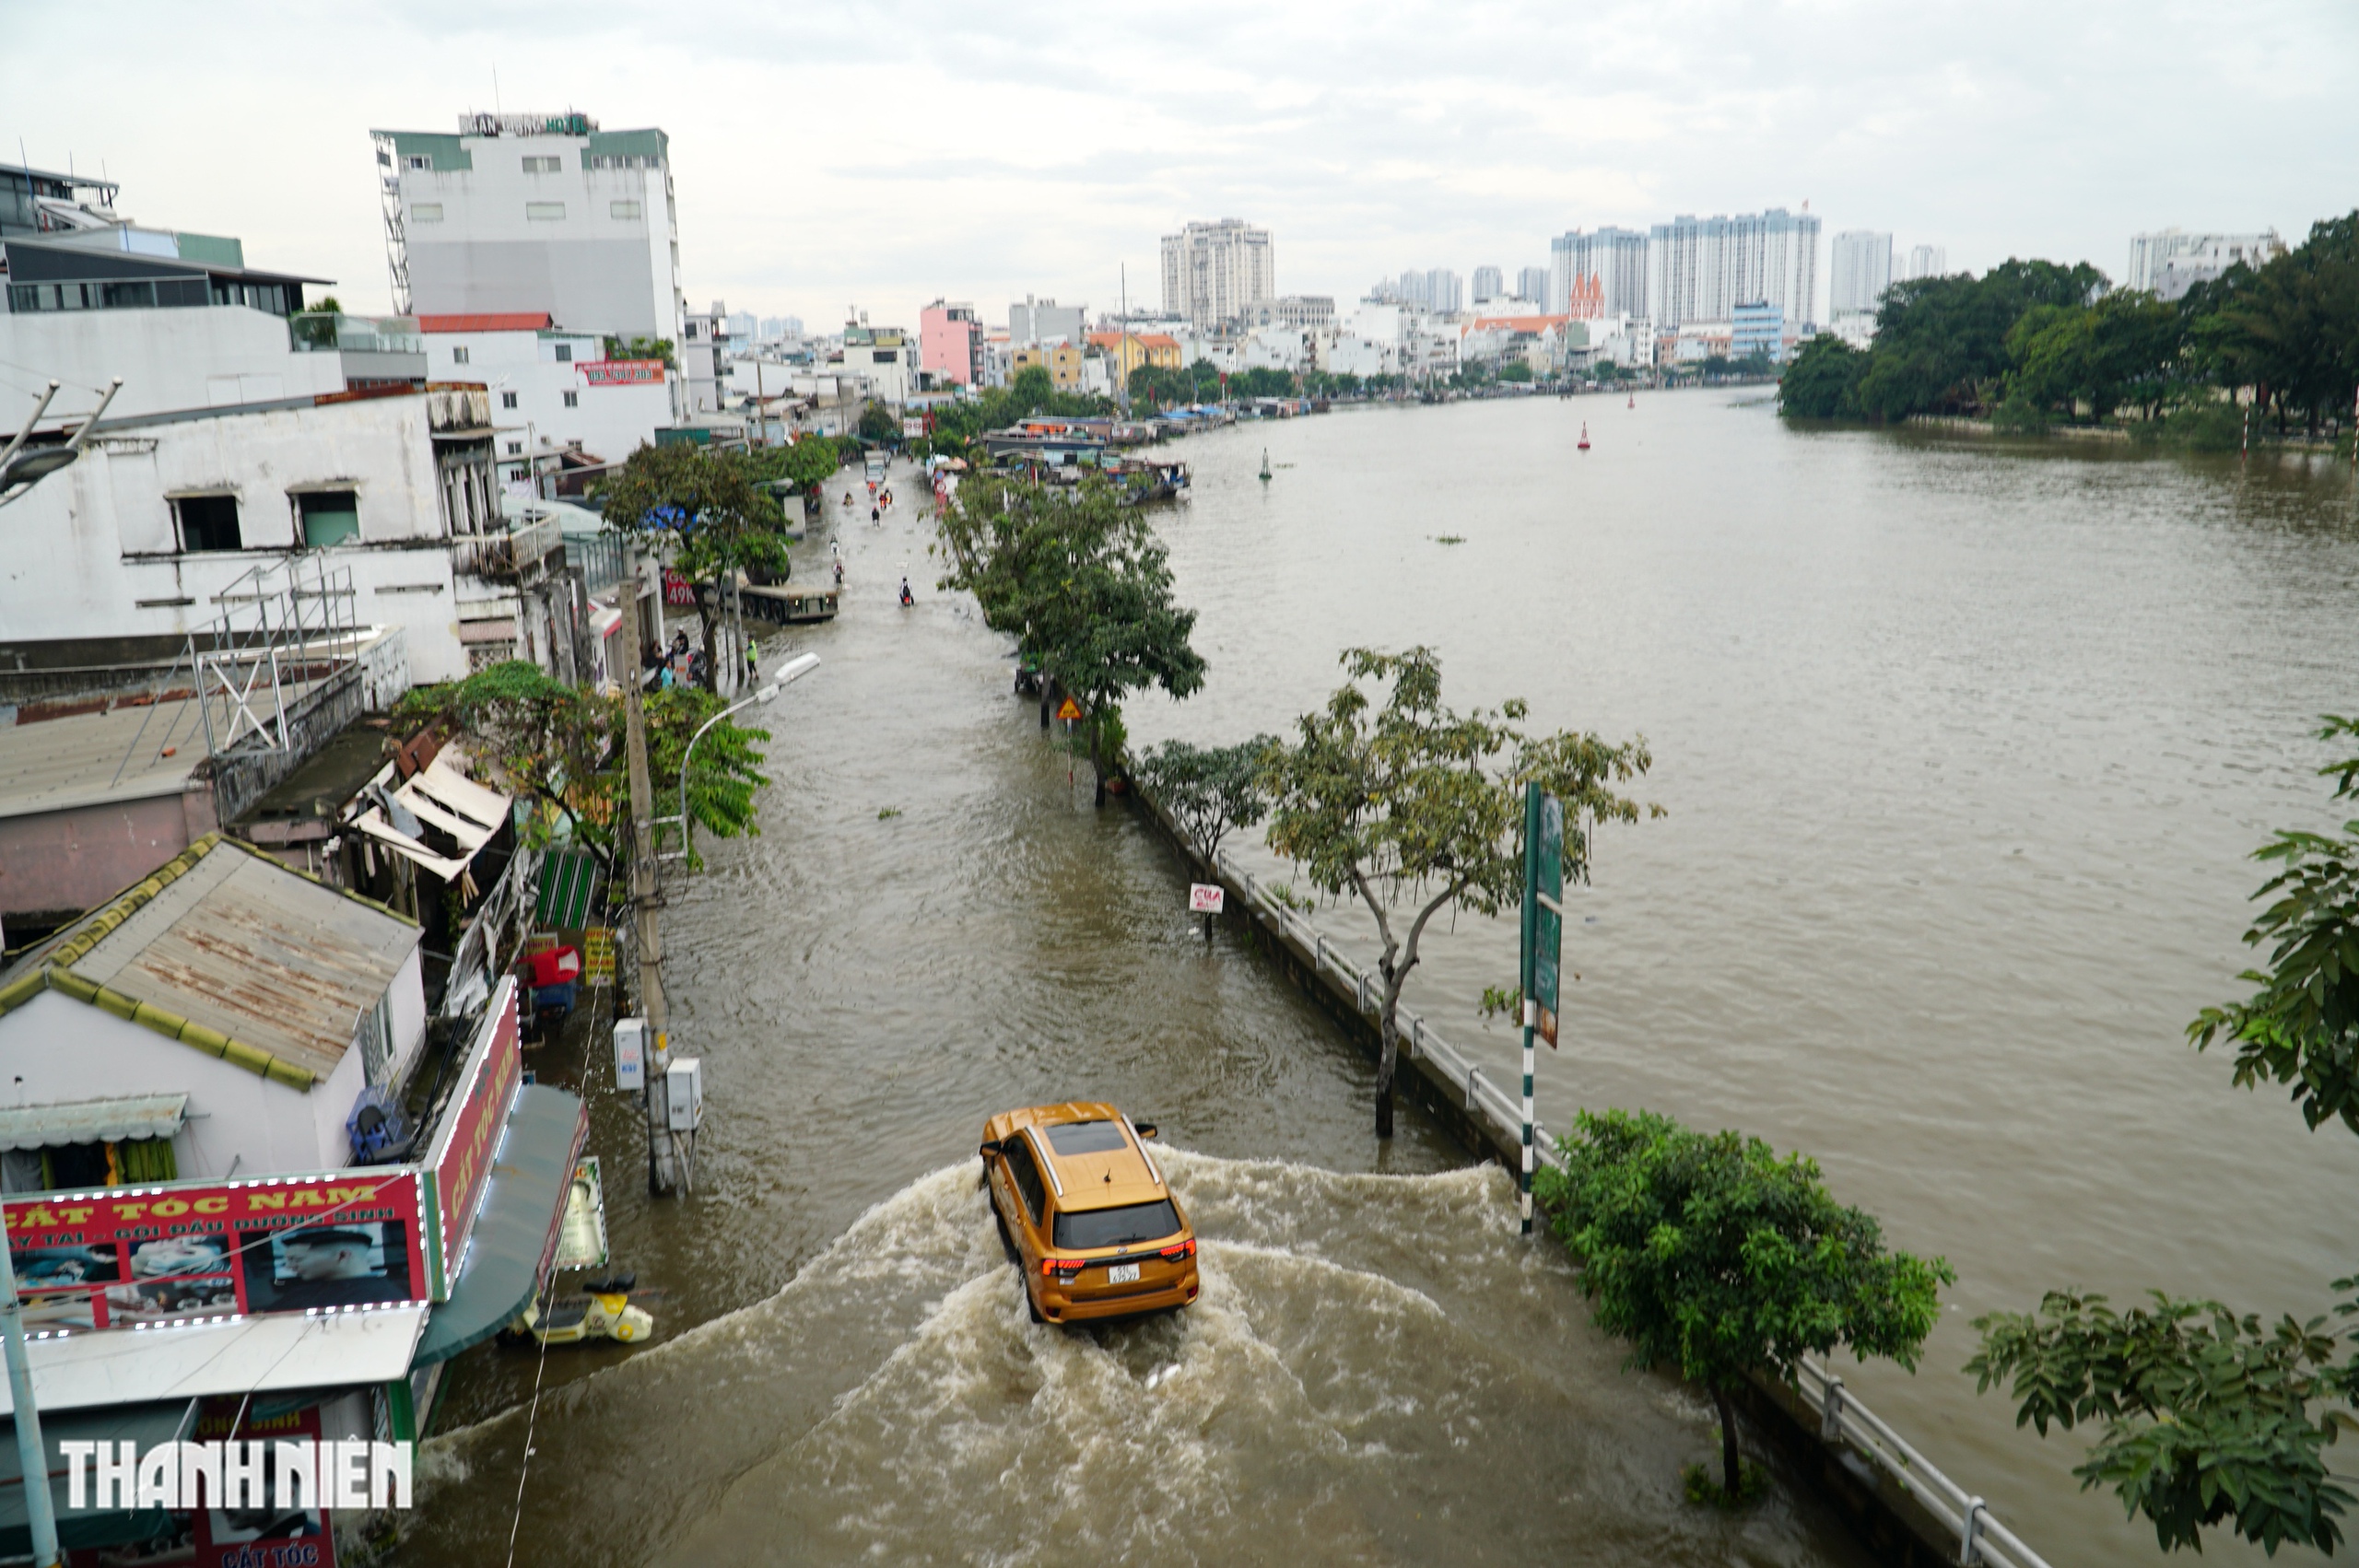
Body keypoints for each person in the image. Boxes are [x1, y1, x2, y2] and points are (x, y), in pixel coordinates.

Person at [264, 1229, 395, 1310]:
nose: (289, 1266)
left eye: (297, 1259)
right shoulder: (303, 1291)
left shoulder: (380, 1297)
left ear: (342, 1255)